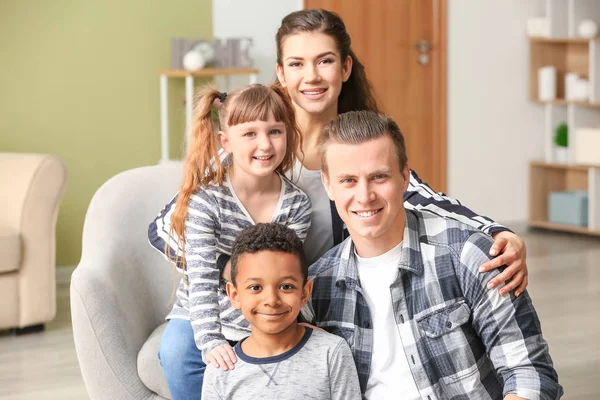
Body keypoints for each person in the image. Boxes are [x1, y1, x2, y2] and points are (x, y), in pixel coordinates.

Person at [149, 8, 530, 397]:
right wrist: (238, 277)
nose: (311, 76)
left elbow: (417, 192)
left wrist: (496, 230)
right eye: (297, 63)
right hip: (242, 295)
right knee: (180, 350)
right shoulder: (255, 145)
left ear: (345, 68)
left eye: (325, 61)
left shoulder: (356, 144)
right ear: (282, 73)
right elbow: (164, 227)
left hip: (313, 295)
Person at [303, 110, 562, 399]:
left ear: (404, 177)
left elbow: (529, 373)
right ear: (328, 185)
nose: (365, 196)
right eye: (348, 180)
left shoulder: (469, 256)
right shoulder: (316, 286)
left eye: (378, 177)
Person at [157, 84, 312, 400]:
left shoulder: (297, 205)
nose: (265, 144)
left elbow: (285, 275)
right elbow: (200, 278)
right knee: (174, 352)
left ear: (289, 135)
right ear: (225, 141)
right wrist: (211, 340)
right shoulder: (206, 201)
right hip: (204, 311)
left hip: (262, 310)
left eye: (274, 131)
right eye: (250, 134)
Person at [202, 223, 361, 400]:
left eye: (286, 286)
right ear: (234, 295)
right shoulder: (219, 372)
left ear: (305, 292)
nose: (271, 300)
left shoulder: (332, 352)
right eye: (255, 287)